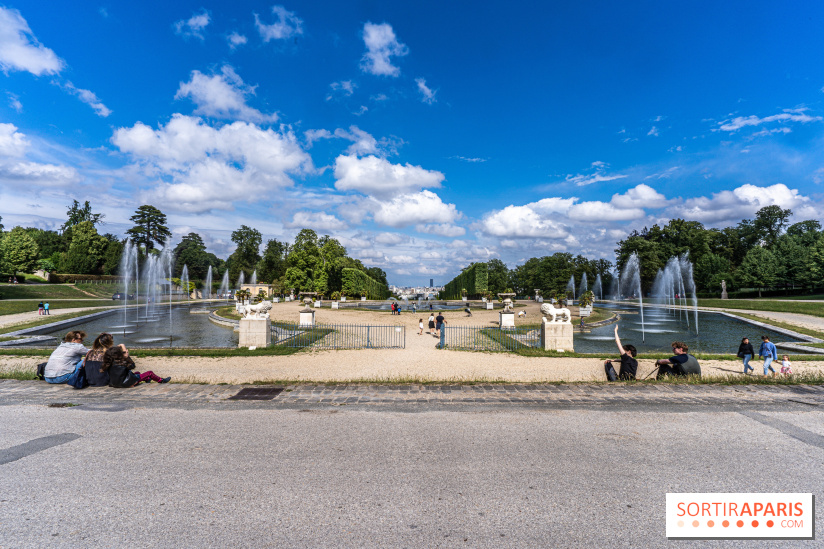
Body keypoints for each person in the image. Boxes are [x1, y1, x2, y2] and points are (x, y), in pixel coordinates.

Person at [103, 344, 170, 387]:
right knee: (149, 373)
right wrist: (127, 356)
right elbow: (133, 365)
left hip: (115, 383)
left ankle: (147, 379)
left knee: (137, 373)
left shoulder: (109, 363)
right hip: (126, 383)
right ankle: (161, 380)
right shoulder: (123, 362)